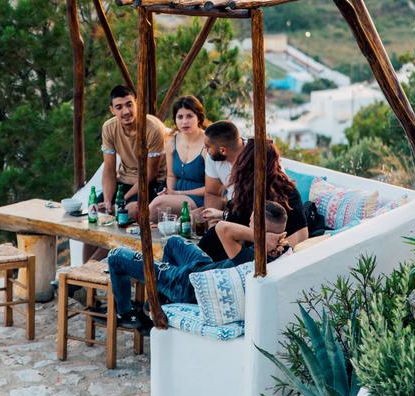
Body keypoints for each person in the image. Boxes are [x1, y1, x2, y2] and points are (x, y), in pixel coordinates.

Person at [107, 202, 289, 328]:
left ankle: (126, 313)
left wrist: (260, 236)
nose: (248, 226)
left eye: (251, 223)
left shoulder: (253, 258)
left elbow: (222, 228)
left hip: (185, 285)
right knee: (174, 241)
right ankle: (158, 304)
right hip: (205, 268)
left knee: (116, 255)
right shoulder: (283, 252)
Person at [199, 139, 308, 260]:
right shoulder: (288, 191)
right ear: (275, 162)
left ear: (245, 162)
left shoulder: (248, 195)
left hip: (214, 258)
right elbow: (302, 234)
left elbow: (227, 228)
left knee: (175, 243)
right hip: (224, 252)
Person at [100, 84, 167, 215]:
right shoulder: (109, 127)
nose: (126, 111)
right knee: (97, 207)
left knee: (130, 210)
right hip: (125, 180)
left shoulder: (153, 128)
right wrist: (108, 201)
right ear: (112, 110)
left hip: (152, 183)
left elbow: (150, 174)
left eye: (129, 104)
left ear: (137, 103)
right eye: (119, 107)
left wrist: (122, 200)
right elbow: (109, 170)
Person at [149, 96, 208, 223]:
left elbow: (212, 187)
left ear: (199, 117)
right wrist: (170, 193)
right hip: (176, 196)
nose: (184, 122)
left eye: (189, 116)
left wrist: (177, 193)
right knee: (156, 210)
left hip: (200, 198)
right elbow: (171, 175)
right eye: (180, 117)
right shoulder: (171, 141)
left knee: (156, 206)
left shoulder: (207, 144)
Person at [203, 121, 245, 211]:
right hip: (229, 212)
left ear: (222, 150)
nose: (204, 149)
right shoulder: (213, 157)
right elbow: (212, 193)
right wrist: (212, 223)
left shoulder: (255, 158)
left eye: (207, 146)